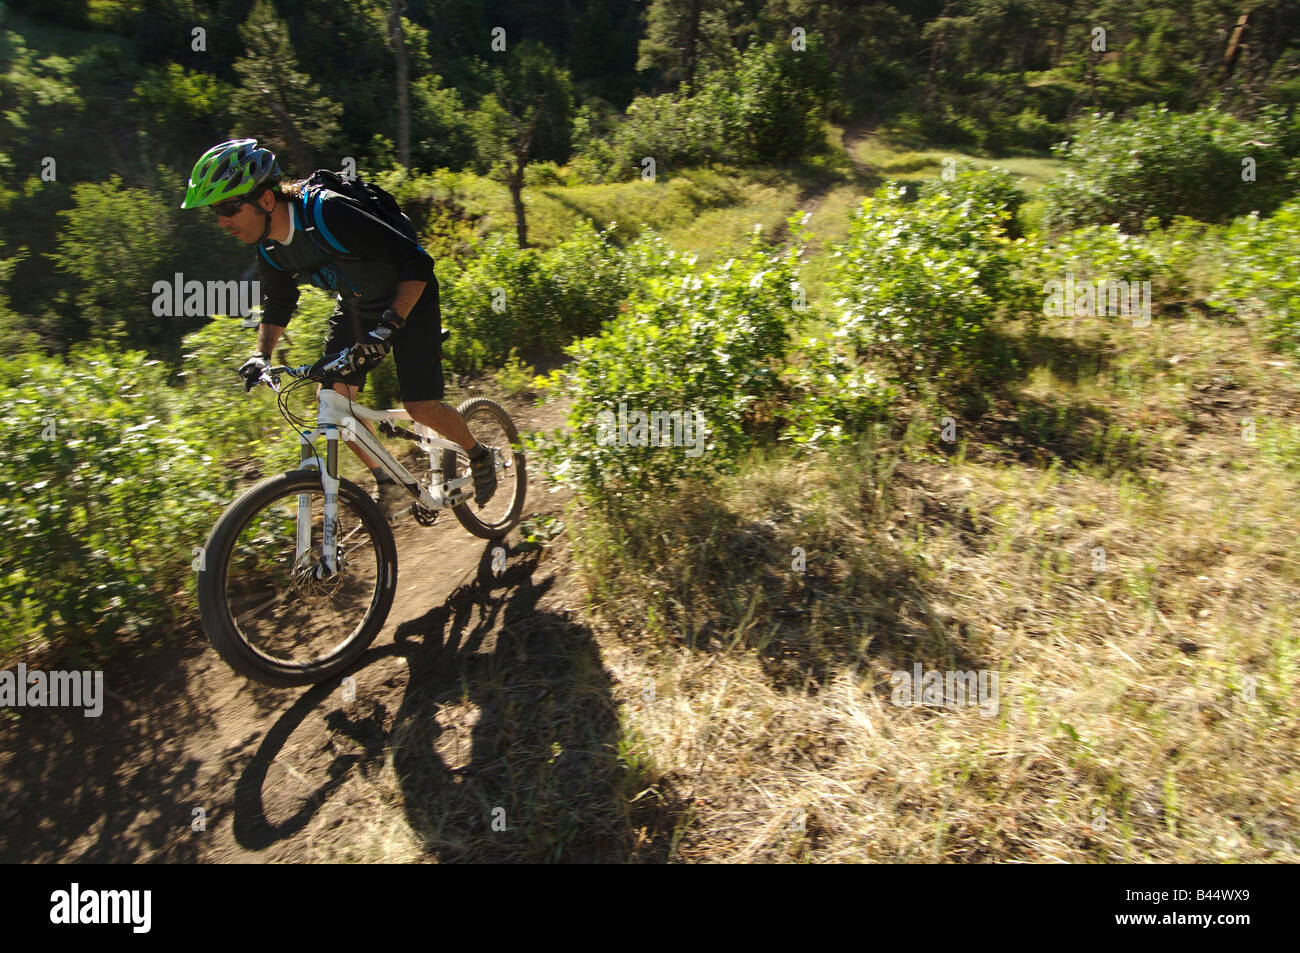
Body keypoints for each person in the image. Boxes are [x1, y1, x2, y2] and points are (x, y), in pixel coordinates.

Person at [180, 138, 496, 518]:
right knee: (335, 403)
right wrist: (260, 354)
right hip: (358, 304)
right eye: (216, 210)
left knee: (420, 405)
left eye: (229, 207)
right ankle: (389, 483)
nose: (222, 220)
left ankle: (478, 455)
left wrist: (390, 326)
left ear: (266, 200)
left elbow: (417, 264)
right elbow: (280, 303)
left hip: (408, 296)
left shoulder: (330, 214)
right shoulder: (269, 246)